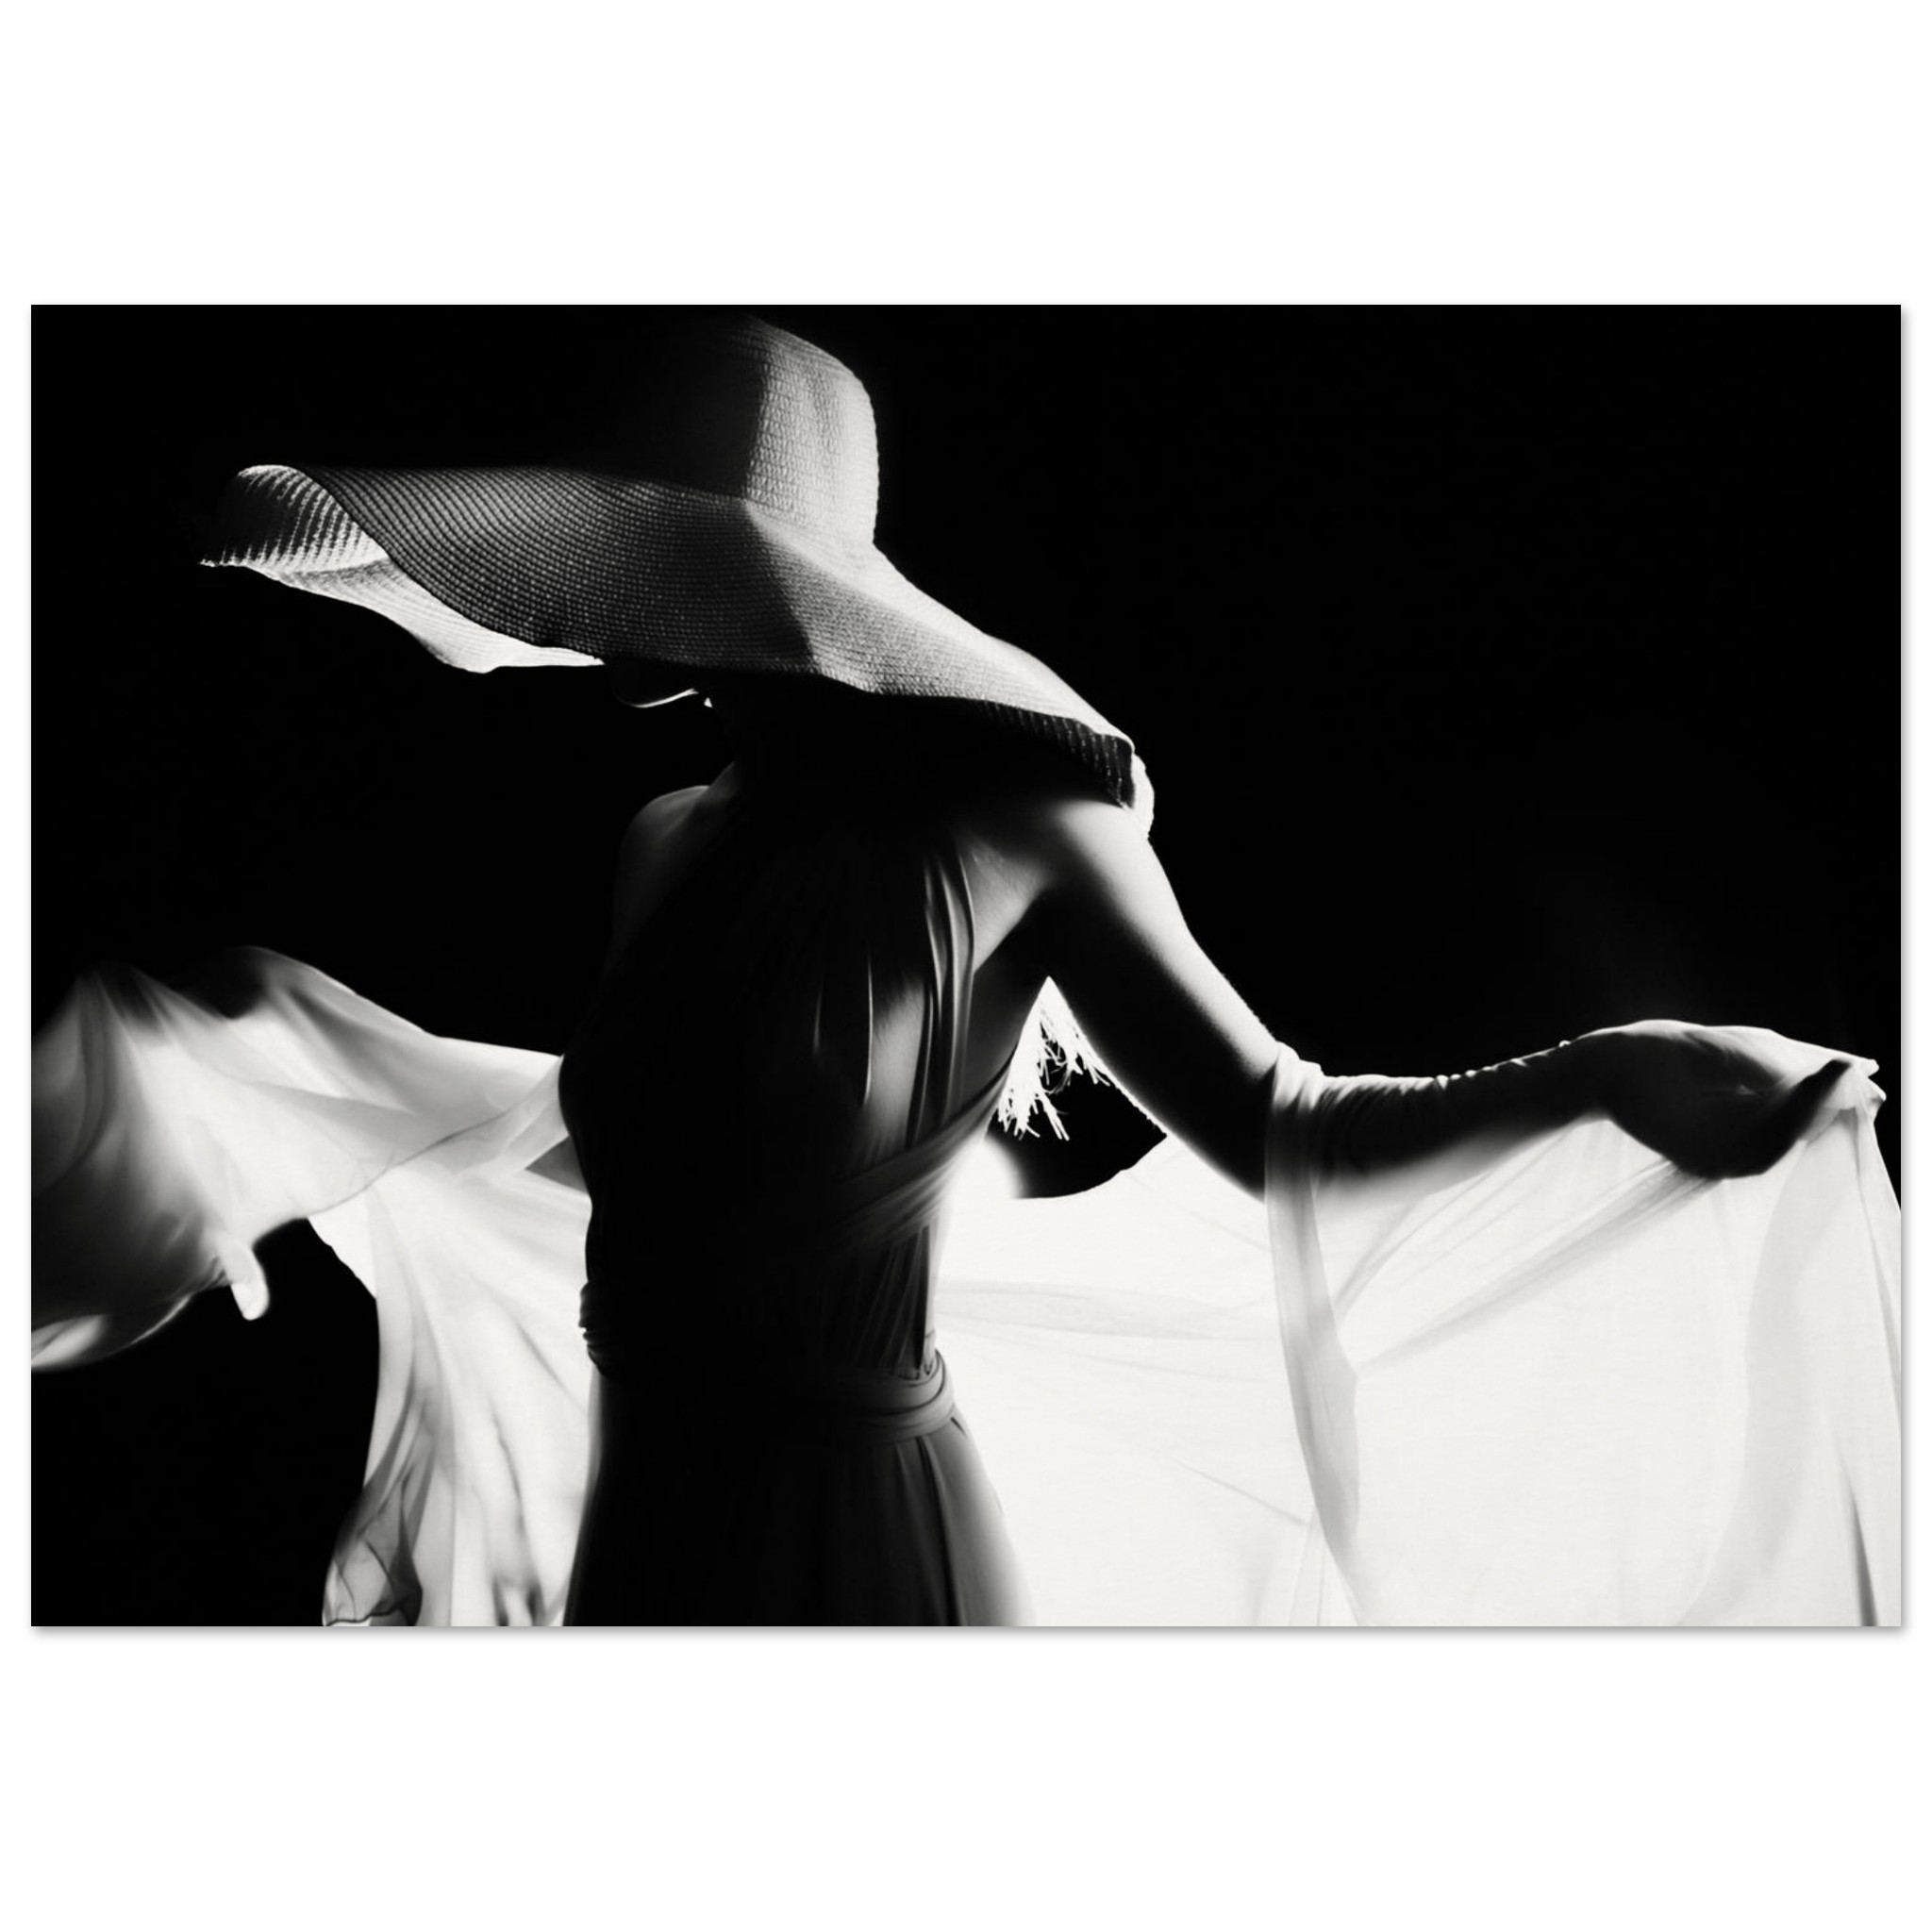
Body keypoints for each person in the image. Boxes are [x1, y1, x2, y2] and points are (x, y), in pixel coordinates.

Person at [30, 317, 1900, 1626]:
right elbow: (658, 1171)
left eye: (635, 564)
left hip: (847, 1525)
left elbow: (1286, 1130)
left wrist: (1608, 1072)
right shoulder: (668, 840)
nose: (596, 617)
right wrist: (280, 1098)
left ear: (758, 587)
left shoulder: (1022, 830)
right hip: (650, 1517)